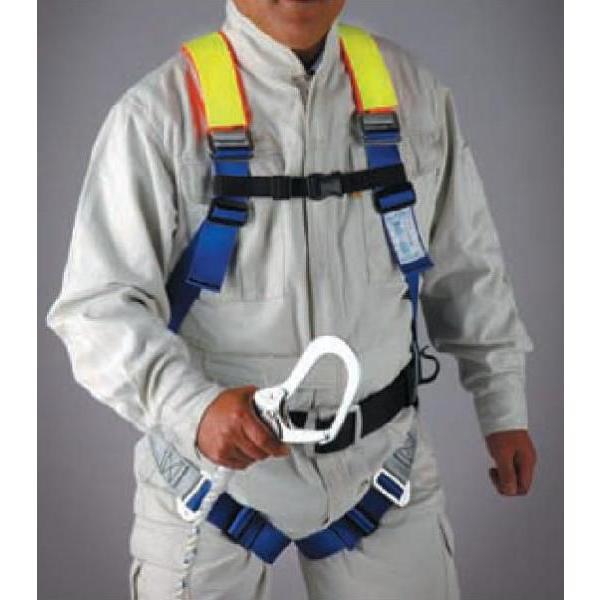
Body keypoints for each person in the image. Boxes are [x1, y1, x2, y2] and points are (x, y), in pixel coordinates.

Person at [46, 1, 537, 598]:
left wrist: (502, 404)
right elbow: (95, 308)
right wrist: (192, 409)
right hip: (214, 480)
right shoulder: (159, 115)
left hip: (381, 465)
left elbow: (469, 263)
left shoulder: (413, 97)